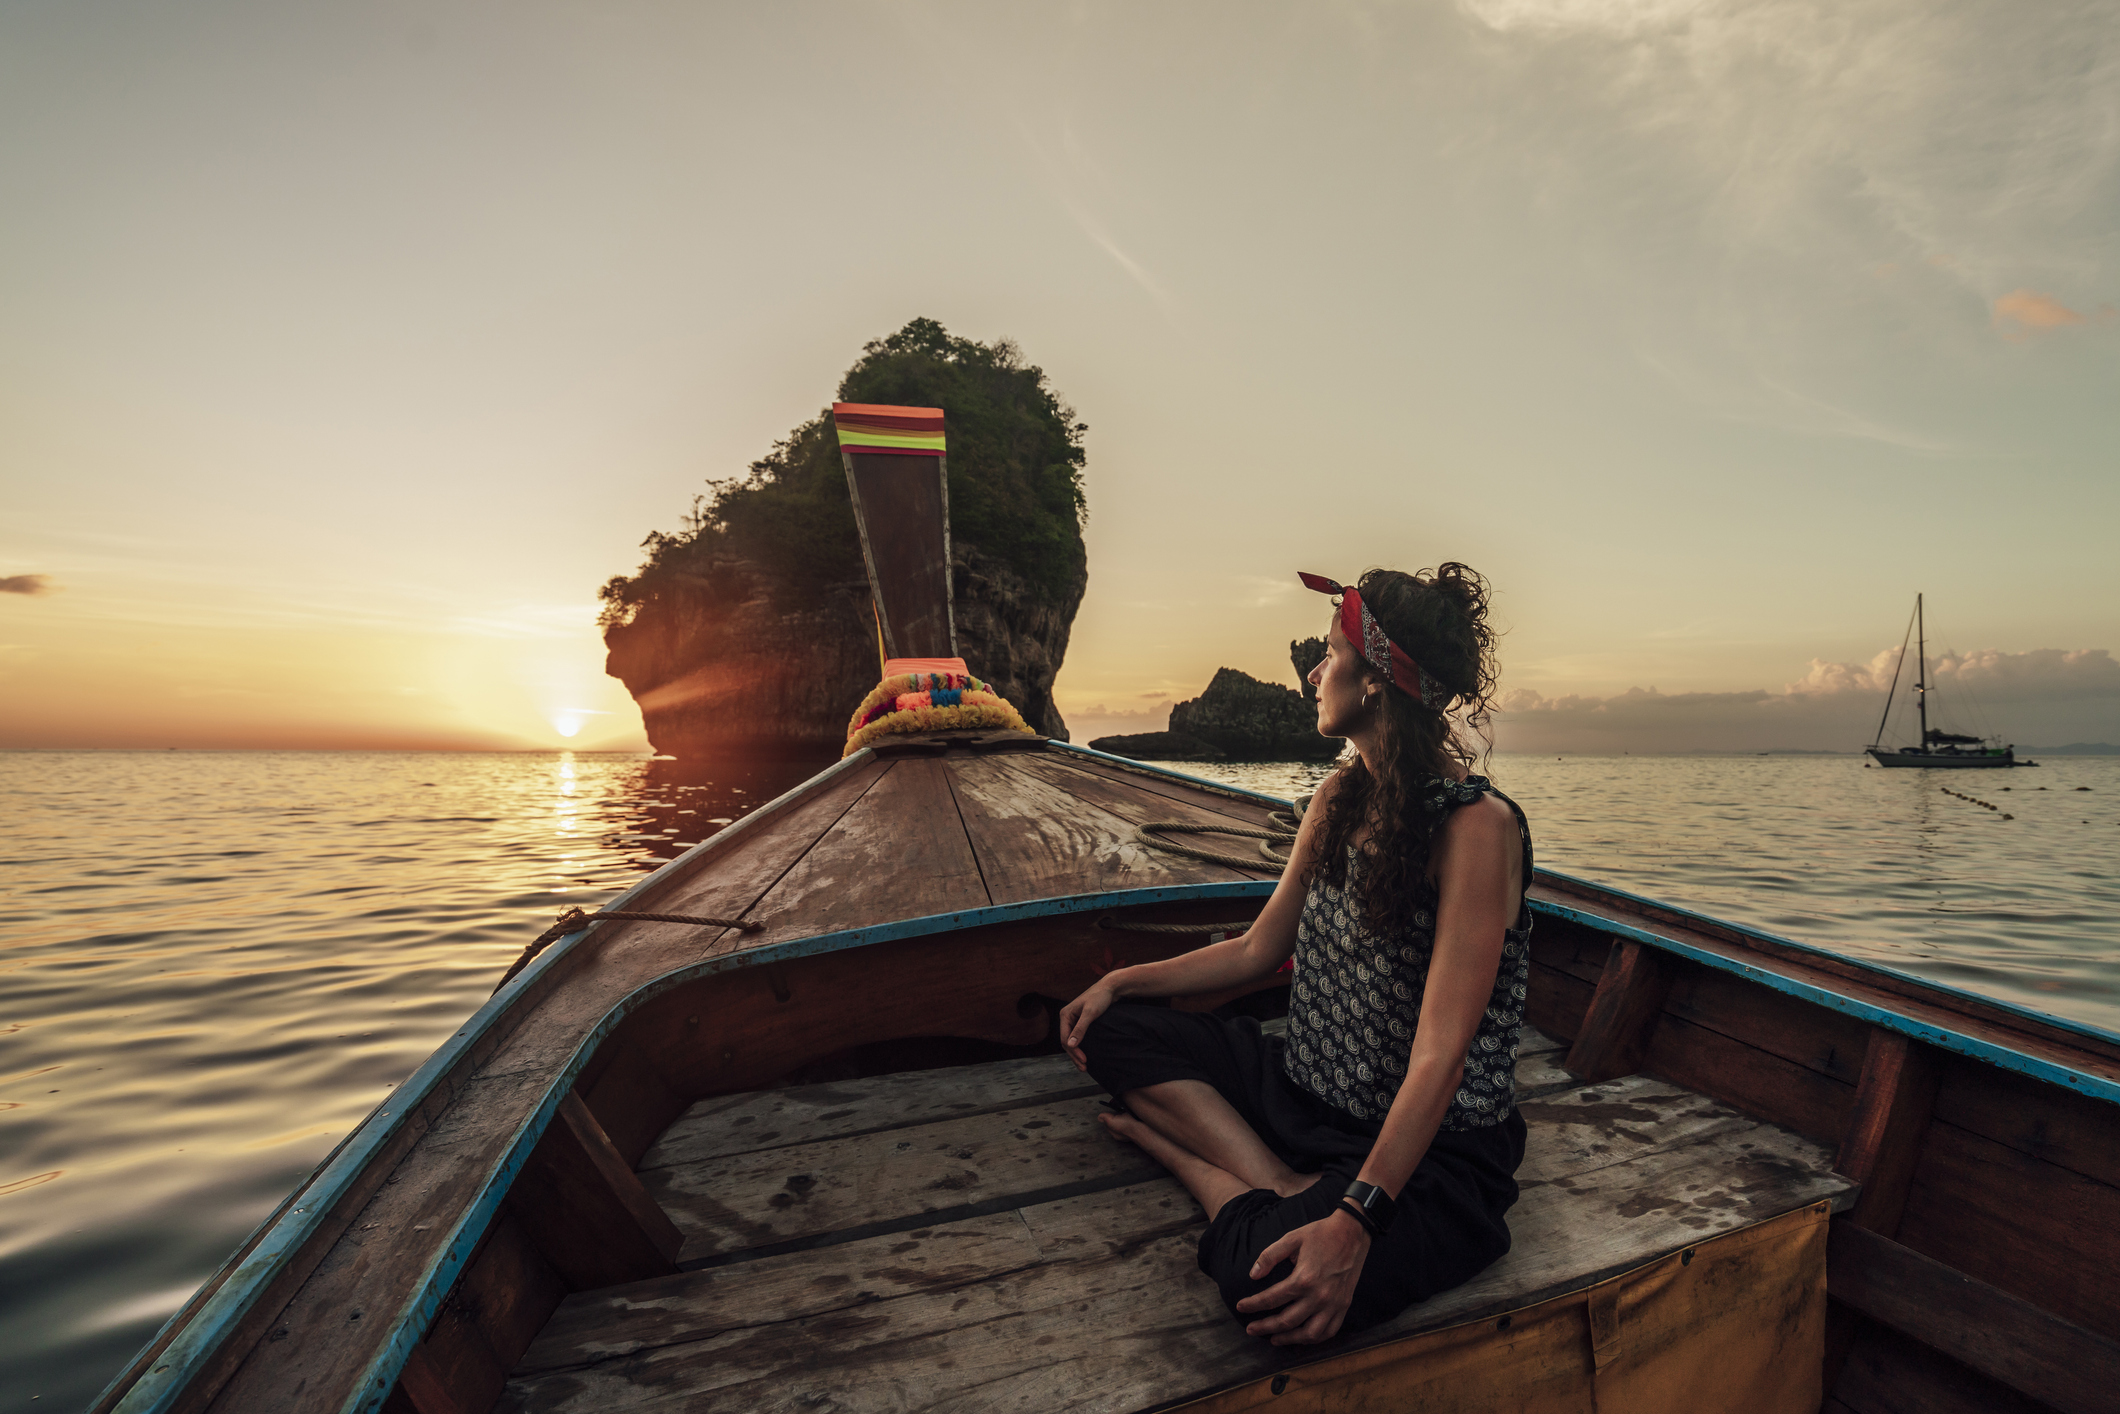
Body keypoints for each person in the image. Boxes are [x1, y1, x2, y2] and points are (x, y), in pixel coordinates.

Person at [1060, 563, 1532, 1346]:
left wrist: (1353, 1220)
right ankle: (1279, 1182)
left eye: (1329, 654)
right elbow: (1256, 950)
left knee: (1268, 1285)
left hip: (1426, 1156)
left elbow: (1440, 1060)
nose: (1314, 673)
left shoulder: (1476, 828)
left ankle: (1201, 1168)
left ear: (1376, 679)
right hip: (1306, 1093)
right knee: (1112, 1026)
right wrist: (1119, 978)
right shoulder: (1338, 797)